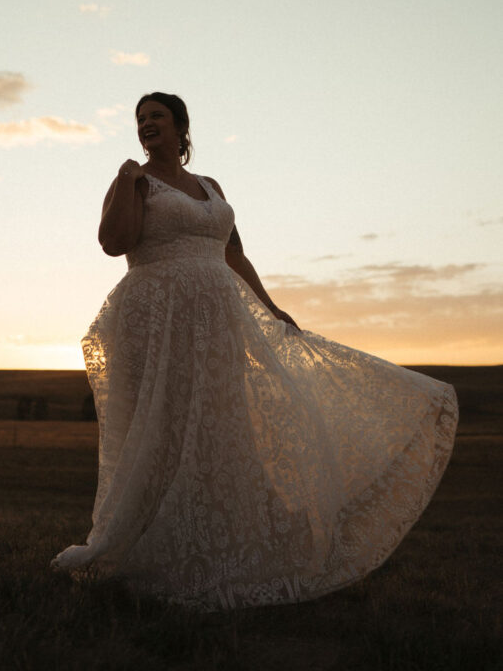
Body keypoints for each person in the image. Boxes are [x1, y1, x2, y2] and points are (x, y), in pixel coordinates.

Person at [51, 92, 458, 610]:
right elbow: (114, 242)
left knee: (224, 421)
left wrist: (270, 307)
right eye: (140, 119)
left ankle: (225, 538)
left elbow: (233, 253)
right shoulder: (132, 179)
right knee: (158, 428)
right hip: (154, 319)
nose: (146, 124)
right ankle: (139, 547)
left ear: (180, 128)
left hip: (217, 320)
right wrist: (127, 183)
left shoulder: (210, 187)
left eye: (156, 116)